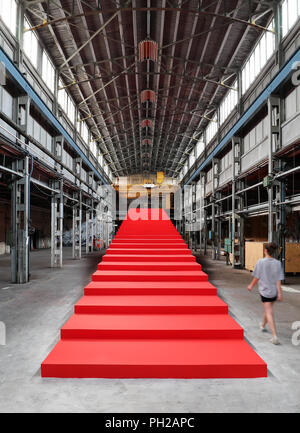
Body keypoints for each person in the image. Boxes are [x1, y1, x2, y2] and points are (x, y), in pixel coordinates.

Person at [248, 242, 283, 345]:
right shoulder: (278, 263)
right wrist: (279, 293)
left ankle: (274, 336)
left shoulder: (261, 262)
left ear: (265, 251)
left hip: (265, 291)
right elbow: (278, 280)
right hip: (274, 292)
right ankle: (263, 325)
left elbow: (257, 277)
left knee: (269, 312)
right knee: (268, 309)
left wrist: (251, 285)